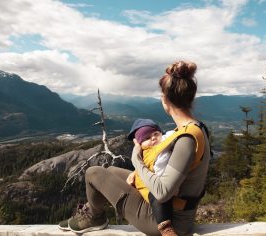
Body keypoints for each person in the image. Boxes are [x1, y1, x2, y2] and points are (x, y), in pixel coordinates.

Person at [58, 61, 211, 236]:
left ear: (165, 100)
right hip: (175, 210)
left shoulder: (186, 139)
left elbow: (162, 193)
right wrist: (139, 173)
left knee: (93, 173)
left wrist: (137, 161)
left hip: (168, 221)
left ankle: (95, 217)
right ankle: (92, 213)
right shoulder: (196, 128)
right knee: (111, 171)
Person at [126, 118, 177, 235]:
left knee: (159, 196)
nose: (153, 138)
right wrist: (135, 172)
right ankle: (165, 227)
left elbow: (173, 134)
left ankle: (166, 228)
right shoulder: (144, 152)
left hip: (159, 185)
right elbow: (145, 164)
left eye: (156, 134)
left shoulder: (164, 145)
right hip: (145, 184)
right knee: (156, 197)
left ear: (161, 134)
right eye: (147, 138)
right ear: (140, 144)